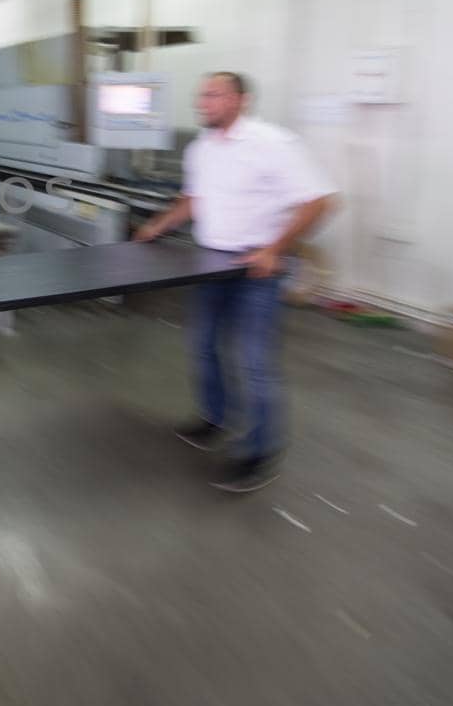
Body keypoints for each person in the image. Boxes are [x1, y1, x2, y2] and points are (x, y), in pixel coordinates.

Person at [135, 72, 336, 493]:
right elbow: (194, 199)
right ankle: (215, 417)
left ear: (241, 100)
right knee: (203, 346)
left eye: (213, 95)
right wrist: (158, 225)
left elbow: (319, 201)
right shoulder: (201, 149)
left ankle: (260, 452)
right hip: (210, 264)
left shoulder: (273, 144)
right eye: (200, 95)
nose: (202, 102)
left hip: (257, 271)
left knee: (254, 362)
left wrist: (275, 248)